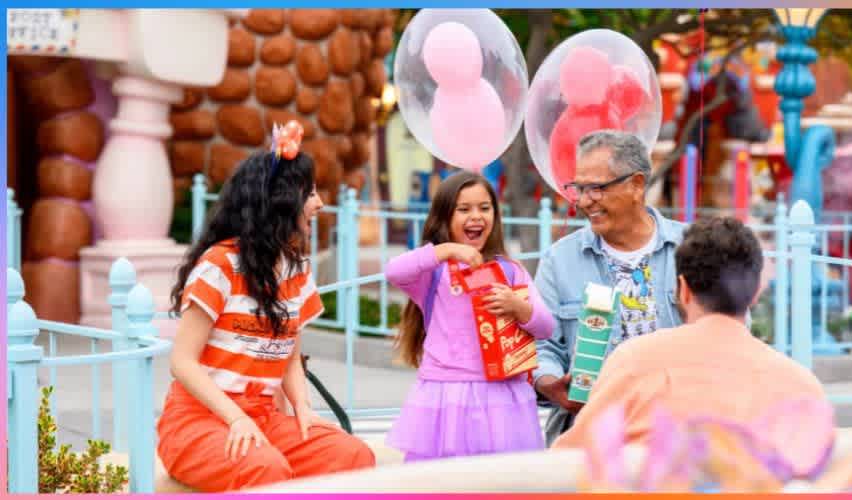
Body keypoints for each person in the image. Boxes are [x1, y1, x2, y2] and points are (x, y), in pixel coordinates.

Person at [158, 123, 375, 492]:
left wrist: (303, 408)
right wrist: (236, 419)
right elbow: (182, 362)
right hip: (198, 422)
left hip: (263, 417)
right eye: (310, 193)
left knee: (354, 456)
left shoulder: (297, 269)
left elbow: (290, 356)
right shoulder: (219, 265)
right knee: (265, 469)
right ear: (281, 202)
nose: (319, 203)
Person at [551, 217, 827, 449]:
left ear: (682, 290)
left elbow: (572, 459)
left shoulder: (634, 364)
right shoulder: (800, 385)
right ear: (755, 294)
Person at [385, 171, 555, 461]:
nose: (476, 216)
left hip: (503, 396)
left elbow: (546, 327)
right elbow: (394, 271)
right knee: (441, 479)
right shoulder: (433, 272)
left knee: (498, 480)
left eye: (484, 208)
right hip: (445, 396)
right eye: (463, 209)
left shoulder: (510, 271)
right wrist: (447, 250)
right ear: (444, 217)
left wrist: (518, 306)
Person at [533, 130, 686, 445]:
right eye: (579, 188)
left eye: (596, 188)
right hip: (591, 435)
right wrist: (550, 382)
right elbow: (541, 346)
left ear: (637, 185)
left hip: (679, 433)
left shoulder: (691, 249)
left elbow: (727, 328)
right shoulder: (559, 260)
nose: (583, 201)